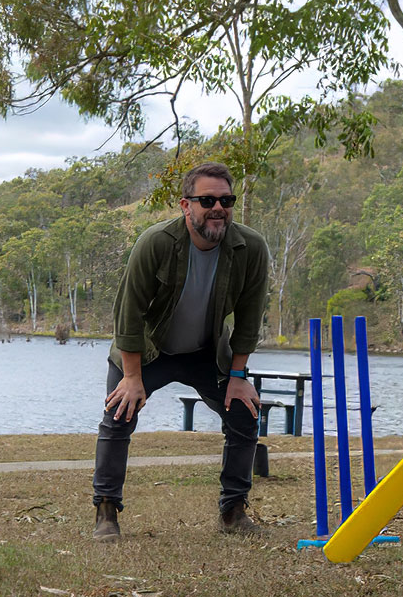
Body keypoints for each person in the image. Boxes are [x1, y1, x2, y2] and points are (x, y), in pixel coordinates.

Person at [92, 162, 270, 541]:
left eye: (226, 200)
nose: (218, 208)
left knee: (244, 417)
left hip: (206, 352)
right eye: (207, 200)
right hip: (148, 352)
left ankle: (233, 512)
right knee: (118, 416)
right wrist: (132, 377)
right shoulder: (156, 242)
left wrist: (238, 378)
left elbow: (250, 319)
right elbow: (129, 313)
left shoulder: (250, 247)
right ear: (185, 205)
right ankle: (106, 512)